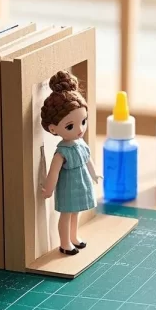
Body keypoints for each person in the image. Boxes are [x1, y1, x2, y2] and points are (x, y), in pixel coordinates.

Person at [40, 70, 101, 255]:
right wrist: (49, 189)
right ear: (53, 128)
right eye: (70, 126)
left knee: (76, 212)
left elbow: (88, 159)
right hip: (68, 186)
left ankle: (74, 237)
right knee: (66, 214)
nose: (80, 129)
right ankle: (65, 243)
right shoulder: (61, 152)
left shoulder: (81, 143)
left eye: (83, 121)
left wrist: (94, 173)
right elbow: (54, 172)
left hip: (81, 184)